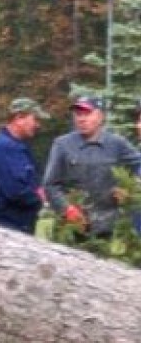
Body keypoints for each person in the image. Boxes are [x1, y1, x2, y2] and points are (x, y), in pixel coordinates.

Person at [42, 95, 141, 238]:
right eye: (78, 114)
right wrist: (66, 209)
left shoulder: (116, 144)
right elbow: (50, 184)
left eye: (87, 113)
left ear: (100, 117)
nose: (81, 119)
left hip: (108, 227)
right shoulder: (62, 145)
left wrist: (129, 189)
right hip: (72, 226)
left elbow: (138, 165)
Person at [0, 98, 49, 233]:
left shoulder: (16, 146)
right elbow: (16, 192)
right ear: (19, 118)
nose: (38, 125)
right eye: (35, 119)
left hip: (17, 223)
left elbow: (29, 181)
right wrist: (43, 202)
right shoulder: (5, 147)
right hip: (5, 227)